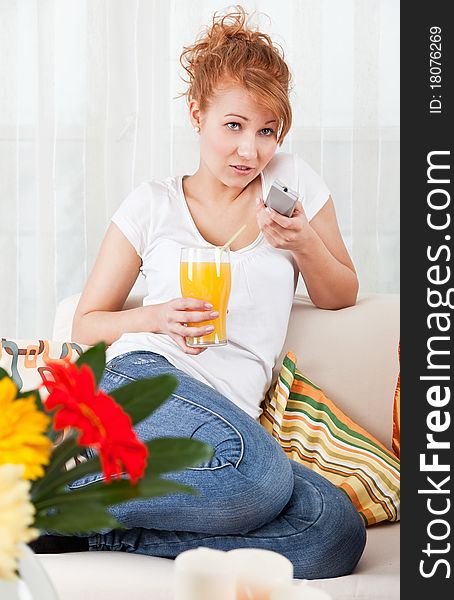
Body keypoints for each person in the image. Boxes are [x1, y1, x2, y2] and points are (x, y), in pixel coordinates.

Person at [32, 6, 365, 579]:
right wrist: (154, 316)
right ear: (197, 115)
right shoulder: (151, 204)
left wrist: (305, 242)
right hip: (144, 381)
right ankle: (40, 486)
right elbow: (86, 323)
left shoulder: (292, 184)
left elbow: (341, 294)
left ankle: (79, 518)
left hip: (228, 420)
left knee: (333, 532)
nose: (249, 150)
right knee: (258, 480)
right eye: (233, 126)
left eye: (266, 131)